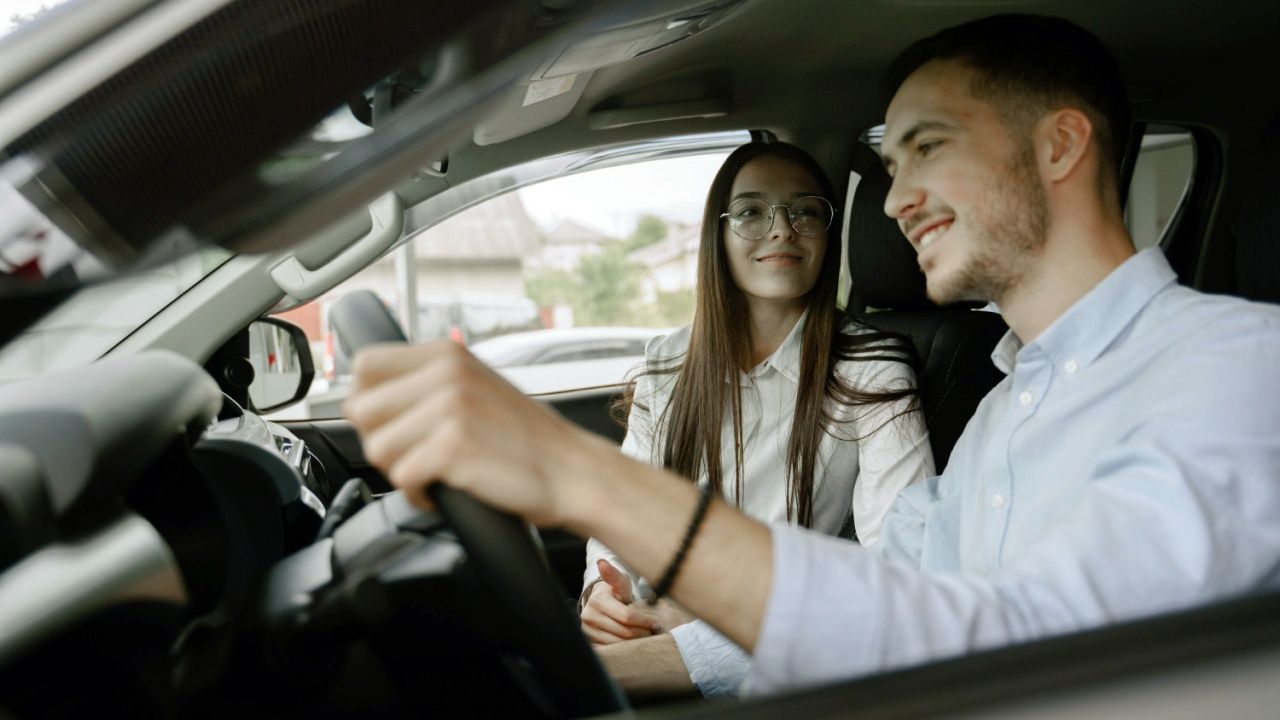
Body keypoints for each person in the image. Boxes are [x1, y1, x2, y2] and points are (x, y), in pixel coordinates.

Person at [344, 14, 1280, 696]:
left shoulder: (1236, 366)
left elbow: (1025, 646)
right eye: (889, 162)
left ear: (1060, 145)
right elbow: (882, 611)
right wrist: (589, 666)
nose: (896, 195)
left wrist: (579, 475)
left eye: (926, 148)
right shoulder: (1003, 413)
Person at [577, 142, 934, 696]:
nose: (782, 230)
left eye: (806, 211)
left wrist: (702, 629)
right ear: (716, 236)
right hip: (650, 621)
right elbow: (624, 512)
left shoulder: (872, 369)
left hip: (773, 636)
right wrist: (603, 594)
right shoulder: (666, 363)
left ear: (827, 234)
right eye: (750, 211)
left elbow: (900, 566)